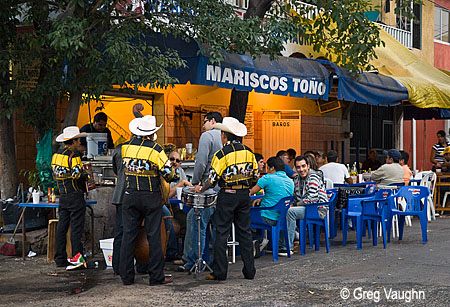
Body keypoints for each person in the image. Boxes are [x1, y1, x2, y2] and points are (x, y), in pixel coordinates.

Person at [119, 115, 178, 286]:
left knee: (128, 235)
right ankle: (156, 276)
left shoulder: (125, 148)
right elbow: (168, 173)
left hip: (129, 195)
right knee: (154, 236)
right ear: (152, 134)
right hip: (150, 196)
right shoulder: (155, 150)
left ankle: (127, 277)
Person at [201, 117, 258, 281]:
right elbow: (255, 176)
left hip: (227, 195)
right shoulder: (249, 152)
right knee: (245, 232)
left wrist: (201, 188)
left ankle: (220, 272)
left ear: (225, 136)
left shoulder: (221, 154)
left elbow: (212, 180)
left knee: (222, 233)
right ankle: (249, 271)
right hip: (244, 196)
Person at [178, 111, 223, 272]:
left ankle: (194, 260)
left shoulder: (207, 136)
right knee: (218, 226)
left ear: (212, 121)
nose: (203, 126)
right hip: (222, 188)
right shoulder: (226, 136)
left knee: (197, 223)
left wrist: (196, 182)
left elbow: (201, 162)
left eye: (204, 122)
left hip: (207, 186)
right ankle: (217, 261)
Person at [51, 126, 89, 268]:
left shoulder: (56, 156)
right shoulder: (74, 156)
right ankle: (77, 259)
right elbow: (77, 174)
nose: (79, 142)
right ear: (73, 141)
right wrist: (87, 175)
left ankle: (60, 258)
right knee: (76, 229)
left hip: (63, 195)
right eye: (78, 140)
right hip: (75, 195)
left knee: (62, 227)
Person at [249, 157, 294, 252]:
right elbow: (278, 196)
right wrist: (261, 199)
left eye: (267, 168)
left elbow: (250, 192)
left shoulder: (267, 178)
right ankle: (268, 245)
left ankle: (259, 240)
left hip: (267, 217)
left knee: (241, 219)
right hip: (282, 218)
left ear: (272, 168)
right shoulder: (290, 181)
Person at [285, 156, 328, 254]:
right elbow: (295, 196)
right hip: (304, 208)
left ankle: (288, 247)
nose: (301, 169)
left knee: (290, 212)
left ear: (308, 166)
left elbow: (312, 199)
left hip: (317, 209)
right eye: (298, 167)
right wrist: (290, 203)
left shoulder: (313, 177)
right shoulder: (296, 179)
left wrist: (295, 204)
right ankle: (282, 244)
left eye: (303, 166)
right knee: (284, 209)